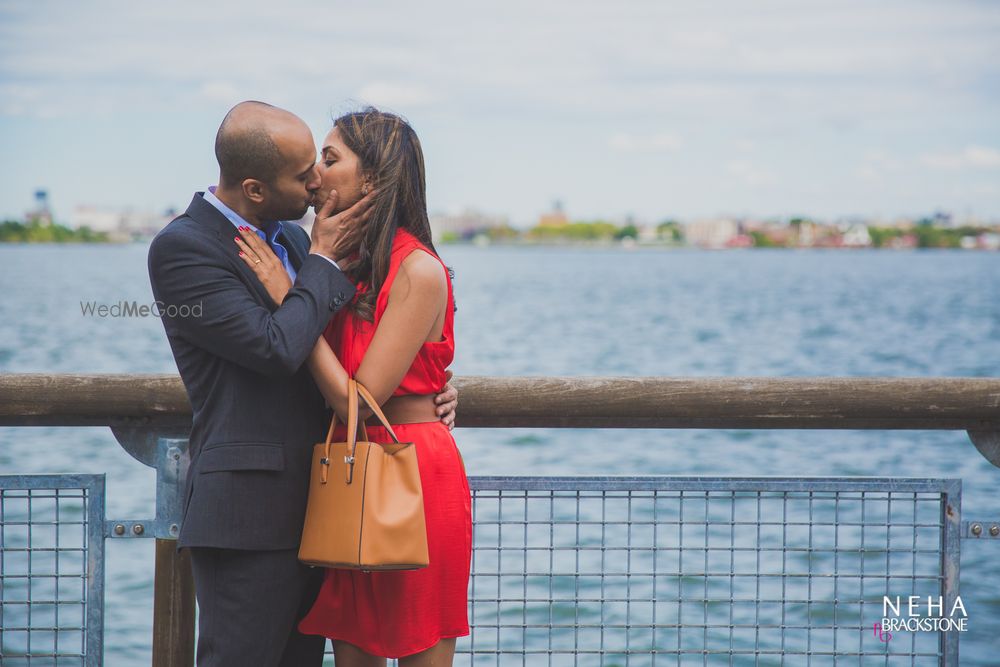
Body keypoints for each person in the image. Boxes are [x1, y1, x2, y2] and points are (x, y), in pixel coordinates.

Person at [147, 101, 458, 667]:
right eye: (304, 171)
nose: (315, 179)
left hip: (336, 500)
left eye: (325, 160)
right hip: (249, 514)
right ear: (256, 189)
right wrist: (317, 263)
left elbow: (361, 352)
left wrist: (427, 389)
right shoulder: (185, 248)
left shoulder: (297, 242)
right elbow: (274, 346)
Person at [235, 107, 470, 666]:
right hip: (345, 474)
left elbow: (357, 400)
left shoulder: (419, 270)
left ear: (374, 177)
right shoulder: (344, 265)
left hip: (411, 472)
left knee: (421, 645)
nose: (315, 173)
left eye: (331, 158)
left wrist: (285, 295)